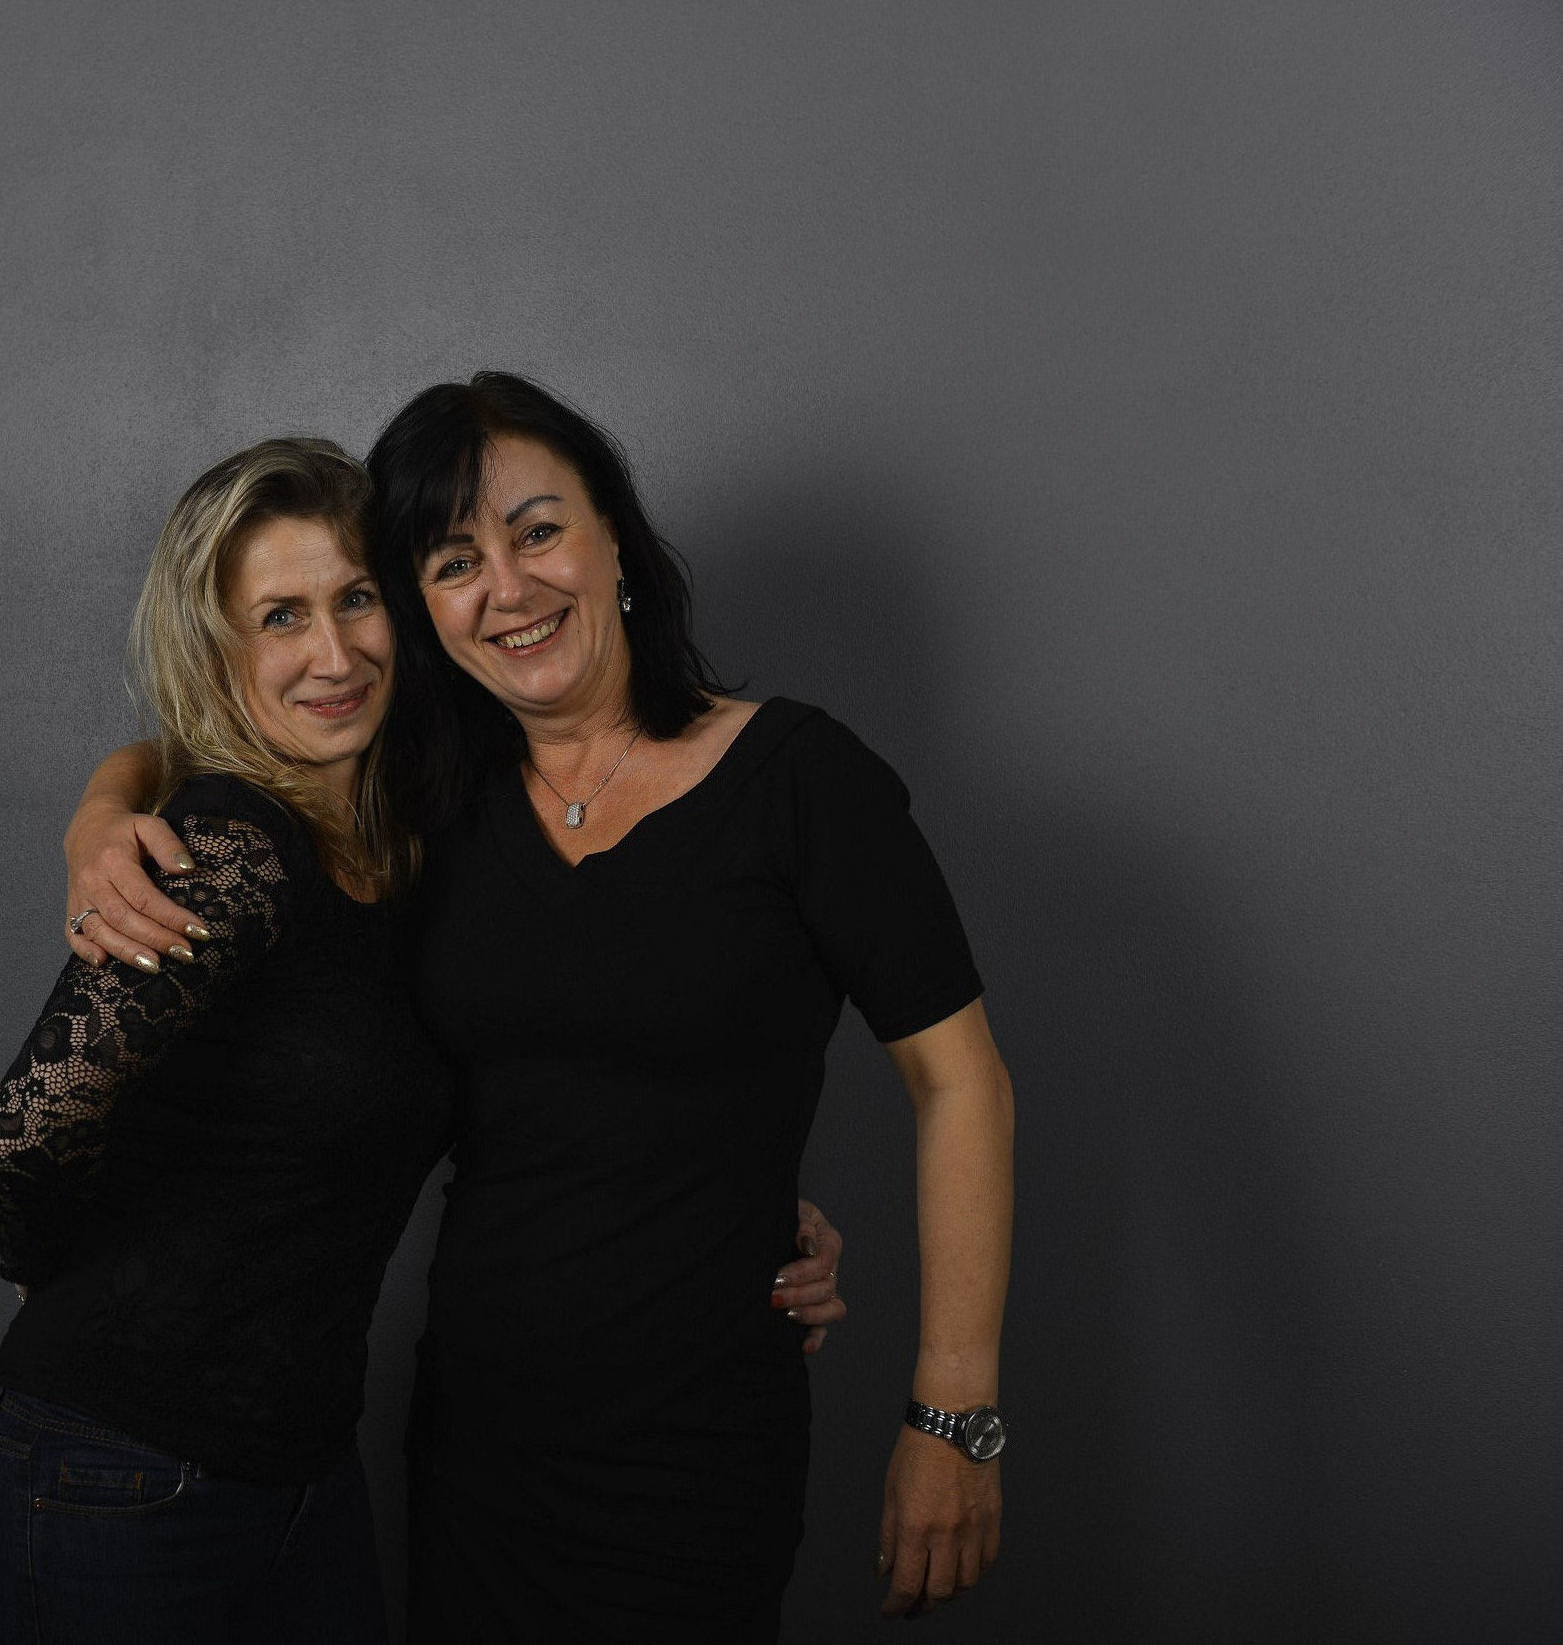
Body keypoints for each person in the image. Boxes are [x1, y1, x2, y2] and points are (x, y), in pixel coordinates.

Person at [61, 374, 1012, 1639]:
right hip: (476, 1445)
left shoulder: (801, 784)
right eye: (453, 561)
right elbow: (210, 742)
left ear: (613, 537)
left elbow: (961, 1083)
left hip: (697, 1451)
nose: (507, 588)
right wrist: (100, 813)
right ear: (423, 607)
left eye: (538, 531)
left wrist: (953, 1415)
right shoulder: (421, 798)